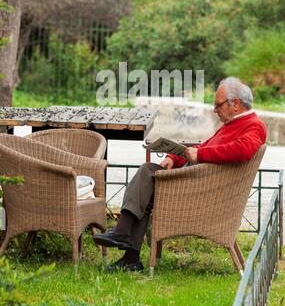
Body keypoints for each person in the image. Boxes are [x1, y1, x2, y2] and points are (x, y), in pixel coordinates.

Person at [93, 77, 267, 272]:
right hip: (200, 182)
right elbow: (205, 146)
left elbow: (243, 150)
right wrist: (174, 158)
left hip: (204, 191)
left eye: (218, 105)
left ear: (235, 104)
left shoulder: (253, 125)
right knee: (147, 188)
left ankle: (122, 233)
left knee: (147, 171)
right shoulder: (233, 125)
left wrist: (200, 154)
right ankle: (130, 258)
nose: (214, 110)